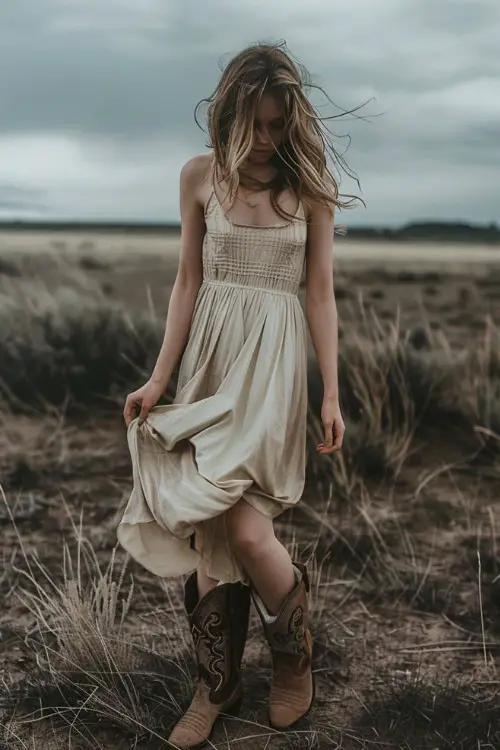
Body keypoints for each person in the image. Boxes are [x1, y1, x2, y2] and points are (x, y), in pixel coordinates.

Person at [118, 41, 361, 750]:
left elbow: (320, 294)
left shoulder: (310, 190)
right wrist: (160, 380)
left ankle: (294, 664)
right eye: (253, 123)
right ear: (227, 114)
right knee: (207, 535)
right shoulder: (198, 178)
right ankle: (215, 687)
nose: (265, 139)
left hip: (273, 377)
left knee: (250, 533)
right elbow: (187, 281)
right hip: (209, 370)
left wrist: (331, 394)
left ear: (295, 122)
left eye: (279, 124)